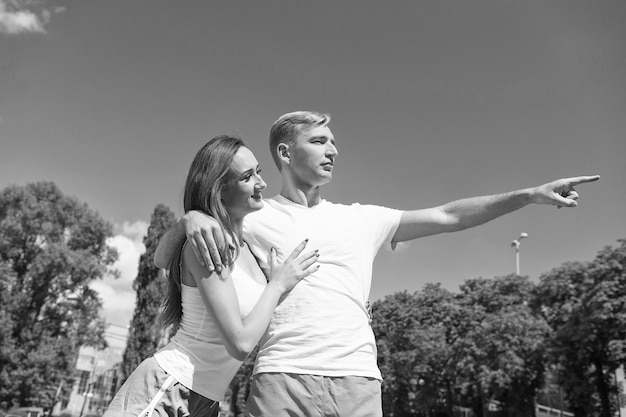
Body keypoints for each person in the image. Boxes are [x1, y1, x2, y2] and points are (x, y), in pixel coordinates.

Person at [154, 111, 600, 417]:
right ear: (286, 153)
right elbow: (163, 256)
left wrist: (528, 195)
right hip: (281, 377)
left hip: (358, 380)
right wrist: (191, 218)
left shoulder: (364, 218)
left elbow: (448, 215)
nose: (333, 150)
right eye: (320, 141)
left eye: (335, 143)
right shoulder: (252, 213)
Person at [104, 135, 319, 417]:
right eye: (247, 177)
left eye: (259, 172)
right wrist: (277, 285)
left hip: (206, 401)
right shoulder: (209, 246)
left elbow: (161, 259)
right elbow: (240, 344)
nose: (262, 183)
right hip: (170, 388)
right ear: (219, 191)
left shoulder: (249, 251)